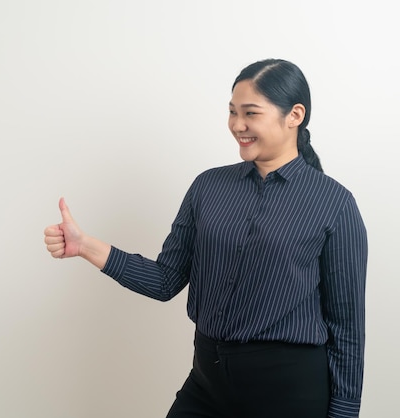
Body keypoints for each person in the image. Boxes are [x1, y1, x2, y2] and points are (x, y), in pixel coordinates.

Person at [44, 58, 368, 418]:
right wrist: (84, 245)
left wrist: (344, 413)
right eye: (232, 112)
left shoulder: (334, 203)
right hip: (207, 382)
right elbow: (165, 280)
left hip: (288, 392)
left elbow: (347, 328)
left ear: (294, 115)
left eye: (250, 113)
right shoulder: (208, 187)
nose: (237, 125)